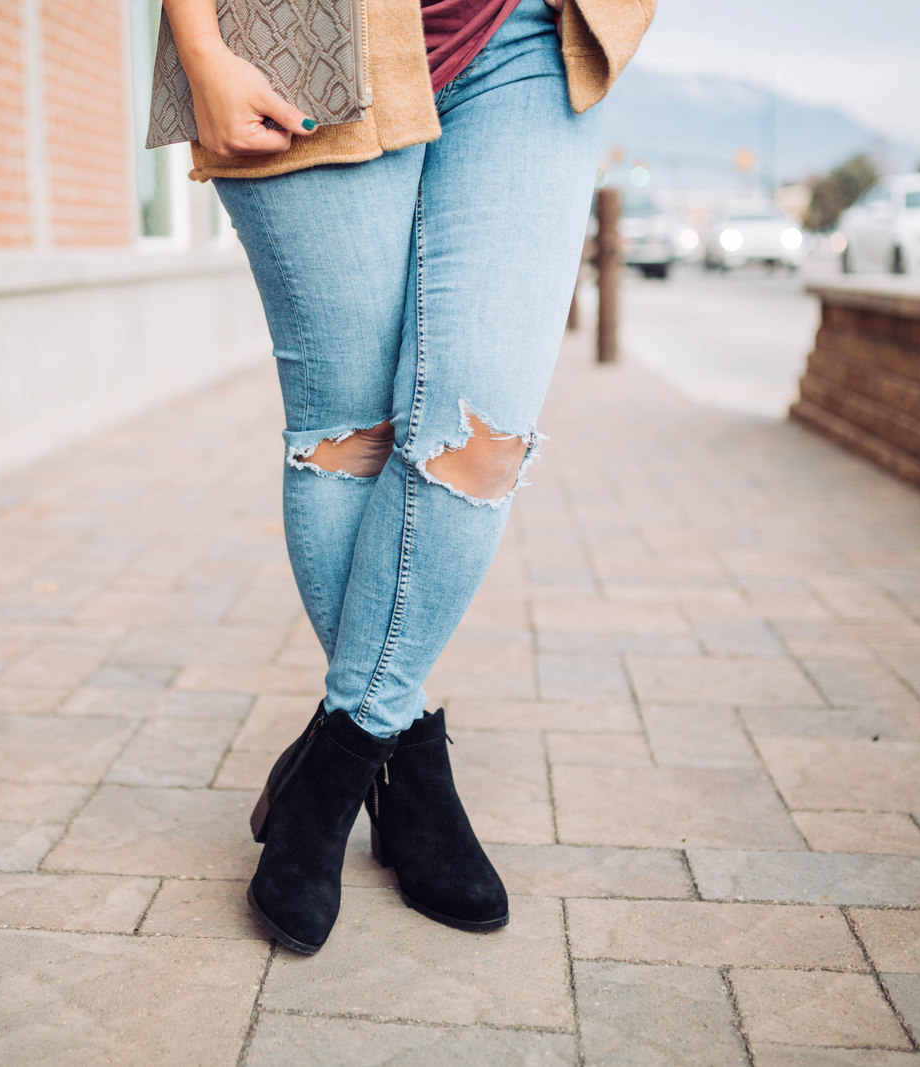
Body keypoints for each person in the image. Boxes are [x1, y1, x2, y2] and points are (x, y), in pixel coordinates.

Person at [154, 0, 654, 954]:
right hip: (305, 35)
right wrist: (200, 46)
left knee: (483, 433)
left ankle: (334, 768)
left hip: (530, 40)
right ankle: (410, 765)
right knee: (354, 434)